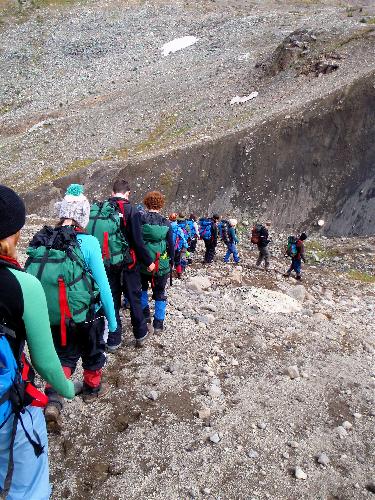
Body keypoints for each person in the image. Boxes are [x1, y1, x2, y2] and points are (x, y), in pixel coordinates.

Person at [0, 185, 75, 499]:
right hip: (8, 410)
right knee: (28, 488)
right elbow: (44, 361)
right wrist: (67, 389)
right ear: (13, 233)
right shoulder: (23, 285)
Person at [25, 184, 117, 432]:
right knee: (93, 353)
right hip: (86, 316)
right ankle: (92, 389)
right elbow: (103, 285)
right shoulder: (87, 243)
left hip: (54, 317)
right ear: (83, 216)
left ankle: (54, 399)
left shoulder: (43, 240)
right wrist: (114, 321)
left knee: (63, 356)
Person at [87, 180, 155, 350]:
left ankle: (113, 338)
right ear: (128, 193)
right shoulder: (132, 211)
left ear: (112, 193)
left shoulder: (103, 210)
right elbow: (138, 242)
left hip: (108, 262)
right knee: (134, 297)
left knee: (112, 298)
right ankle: (140, 333)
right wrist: (149, 262)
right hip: (129, 263)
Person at [140, 192, 174, 335]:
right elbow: (171, 245)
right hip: (161, 264)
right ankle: (158, 324)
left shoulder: (140, 219)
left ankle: (145, 315)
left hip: (143, 264)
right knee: (160, 293)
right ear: (161, 204)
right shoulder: (166, 223)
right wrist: (171, 262)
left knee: (142, 289)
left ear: (146, 203)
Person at [170, 213, 188, 278]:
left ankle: (169, 274)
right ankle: (179, 273)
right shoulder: (179, 228)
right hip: (177, 248)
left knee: (169, 260)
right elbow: (183, 239)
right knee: (177, 261)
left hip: (169, 248)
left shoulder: (167, 227)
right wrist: (186, 246)